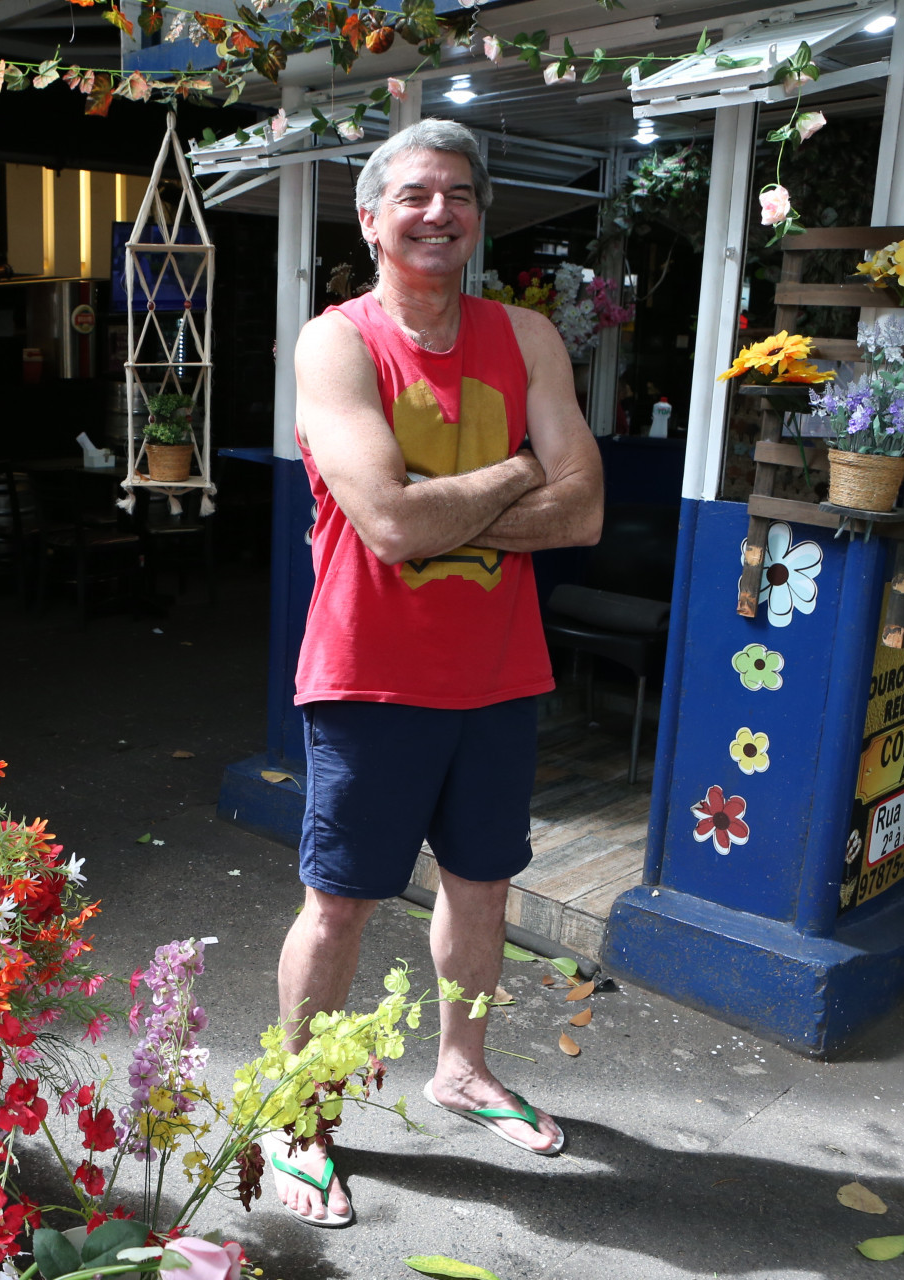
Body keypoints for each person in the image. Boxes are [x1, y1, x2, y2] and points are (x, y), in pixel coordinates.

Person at [270, 120, 604, 1227]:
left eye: (459, 194)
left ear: (478, 218)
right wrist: (518, 473)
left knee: (483, 888)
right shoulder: (337, 344)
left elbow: (584, 509)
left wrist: (437, 507)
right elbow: (388, 523)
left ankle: (462, 1068)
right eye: (414, 193)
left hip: (499, 673)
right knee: (340, 905)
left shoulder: (527, 337)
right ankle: (298, 1115)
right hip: (369, 675)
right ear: (371, 219)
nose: (439, 211)